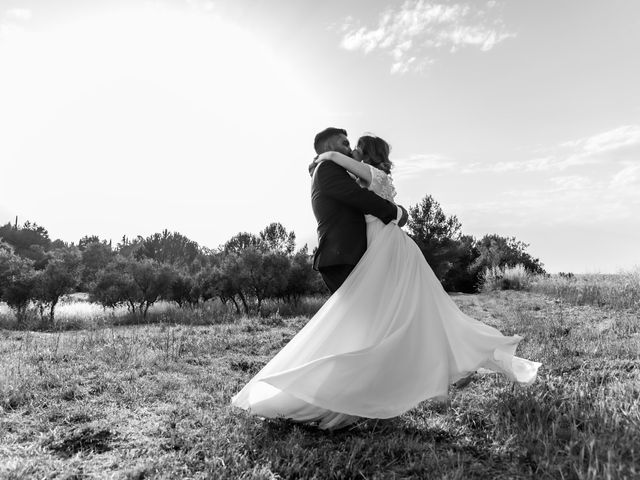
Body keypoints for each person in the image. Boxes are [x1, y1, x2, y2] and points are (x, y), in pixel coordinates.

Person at [231, 133, 541, 430]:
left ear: (364, 153)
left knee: (379, 324)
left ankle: (355, 390)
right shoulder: (352, 172)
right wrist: (396, 210)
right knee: (384, 322)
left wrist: (327, 156)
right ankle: (372, 385)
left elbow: (353, 187)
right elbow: (358, 198)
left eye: (353, 146)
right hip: (379, 247)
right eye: (344, 145)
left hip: (382, 248)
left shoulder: (360, 171)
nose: (348, 149)